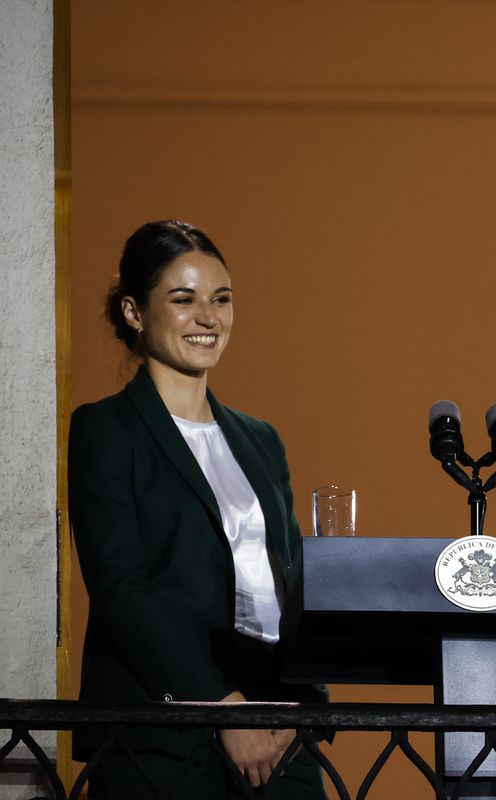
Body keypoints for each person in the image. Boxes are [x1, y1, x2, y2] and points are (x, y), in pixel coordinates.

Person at [69, 220, 327, 799]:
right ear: (134, 313)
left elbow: (290, 582)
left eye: (221, 298)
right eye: (183, 300)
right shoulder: (106, 429)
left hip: (279, 731)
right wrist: (220, 707)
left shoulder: (261, 439)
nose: (208, 317)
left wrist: (302, 705)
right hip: (164, 737)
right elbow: (121, 588)